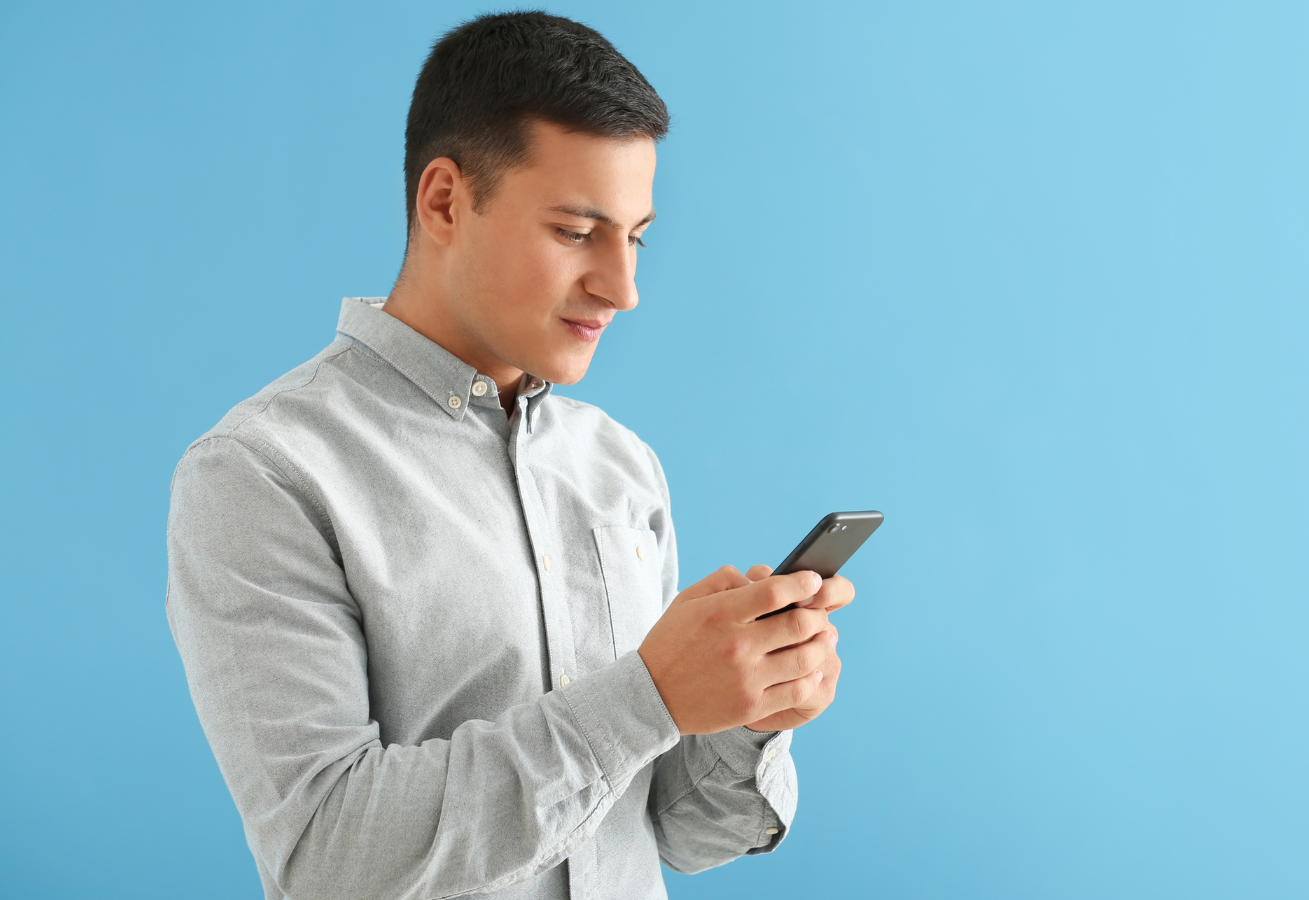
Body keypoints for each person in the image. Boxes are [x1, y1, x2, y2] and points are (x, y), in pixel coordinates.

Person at [165, 12, 850, 900]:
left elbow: (681, 835)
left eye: (635, 237)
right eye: (575, 231)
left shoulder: (621, 466)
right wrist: (648, 698)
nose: (624, 288)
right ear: (445, 200)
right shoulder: (262, 473)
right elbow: (325, 858)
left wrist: (747, 710)